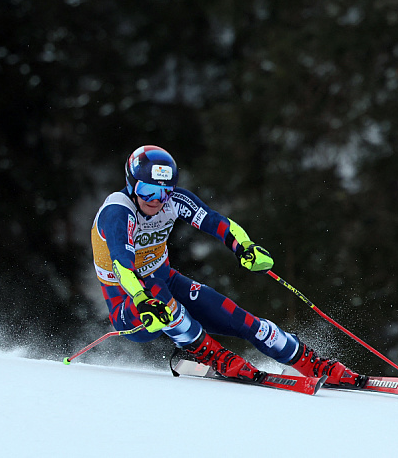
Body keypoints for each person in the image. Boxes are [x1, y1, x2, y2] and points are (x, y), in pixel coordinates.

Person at [90, 144, 366, 387]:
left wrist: (243, 247)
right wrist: (140, 298)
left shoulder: (173, 201)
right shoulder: (118, 211)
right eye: (147, 191)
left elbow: (215, 222)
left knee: (242, 320)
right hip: (128, 302)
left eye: (163, 192)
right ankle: (212, 354)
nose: (156, 201)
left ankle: (310, 362)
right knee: (156, 294)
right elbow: (123, 267)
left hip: (165, 280)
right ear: (131, 185)